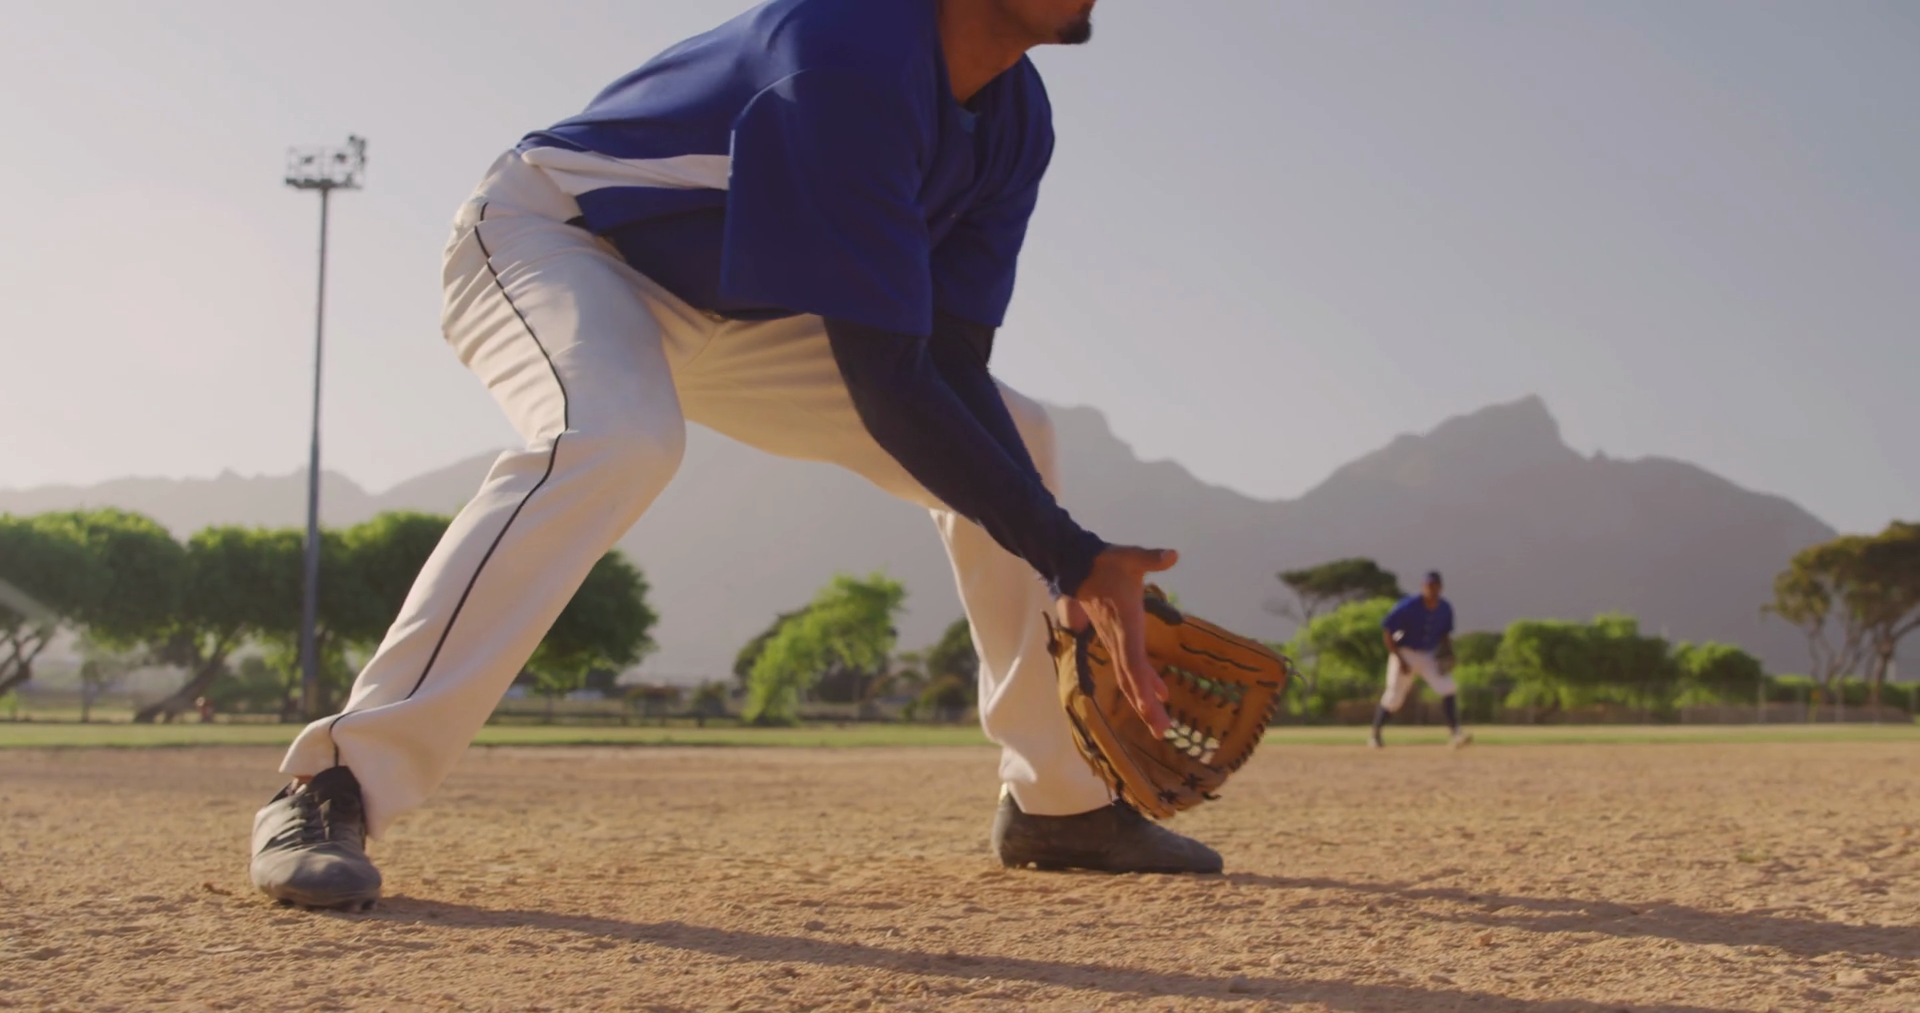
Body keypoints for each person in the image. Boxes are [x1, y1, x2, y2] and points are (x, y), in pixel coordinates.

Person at [249, 0, 1224, 912]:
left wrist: (1074, 554)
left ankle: (1057, 800)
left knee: (1022, 438)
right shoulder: (849, 48)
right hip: (568, 243)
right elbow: (889, 384)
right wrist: (1068, 554)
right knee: (616, 437)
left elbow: (948, 367)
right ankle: (335, 778)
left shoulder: (1016, 122)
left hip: (757, 309)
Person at [1370, 571, 1471, 749]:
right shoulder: (1408, 606)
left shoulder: (1445, 608)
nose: (1431, 588)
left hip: (1428, 654)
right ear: (1423, 587)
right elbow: (1388, 632)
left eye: (1434, 585)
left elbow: (1444, 634)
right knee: (1394, 698)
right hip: (1404, 652)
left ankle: (1456, 734)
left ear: (1440, 587)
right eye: (1428, 585)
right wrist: (1401, 661)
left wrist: (1448, 653)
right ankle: (1375, 734)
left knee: (1448, 687)